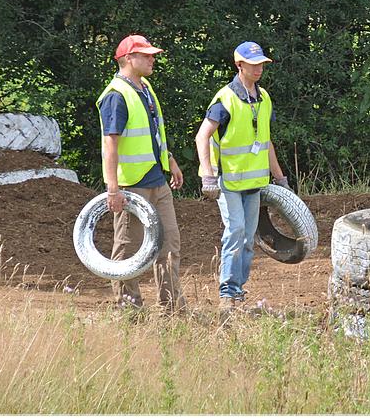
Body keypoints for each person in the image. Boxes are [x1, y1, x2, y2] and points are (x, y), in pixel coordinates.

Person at [195, 41, 289, 312]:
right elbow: (202, 136)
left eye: (261, 63)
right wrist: (209, 177)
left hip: (254, 183)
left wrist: (279, 178)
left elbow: (266, 140)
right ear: (239, 65)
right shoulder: (224, 99)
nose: (258, 68)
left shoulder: (264, 98)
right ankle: (227, 293)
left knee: (248, 239)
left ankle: (237, 291)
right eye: (253, 64)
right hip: (229, 182)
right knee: (235, 232)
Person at [96, 34, 187, 314]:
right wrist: (113, 189)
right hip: (130, 187)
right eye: (146, 55)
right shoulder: (115, 96)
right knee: (127, 249)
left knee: (170, 244)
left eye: (152, 54)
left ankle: (172, 309)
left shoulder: (145, 88)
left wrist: (169, 159)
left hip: (157, 182)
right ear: (127, 59)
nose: (152, 59)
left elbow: (153, 133)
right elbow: (110, 143)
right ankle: (128, 310)